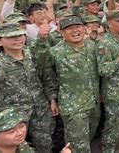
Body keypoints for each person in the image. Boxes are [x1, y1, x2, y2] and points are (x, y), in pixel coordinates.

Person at [0, 23, 55, 152]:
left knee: (45, 145)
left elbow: (46, 75)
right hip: (12, 115)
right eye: (11, 37)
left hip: (39, 110)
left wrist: (52, 98)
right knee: (16, 147)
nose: (18, 39)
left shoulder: (32, 54)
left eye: (20, 35)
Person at [49, 15, 101, 152]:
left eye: (77, 27)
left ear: (84, 29)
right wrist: (53, 98)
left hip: (94, 102)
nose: (75, 31)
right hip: (74, 106)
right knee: (78, 145)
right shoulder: (55, 52)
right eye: (69, 29)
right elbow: (48, 77)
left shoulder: (92, 46)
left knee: (89, 136)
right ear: (61, 33)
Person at [95, 10, 119, 153]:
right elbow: (102, 70)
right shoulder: (104, 43)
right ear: (109, 24)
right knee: (113, 124)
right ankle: (108, 148)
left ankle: (115, 143)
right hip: (114, 91)